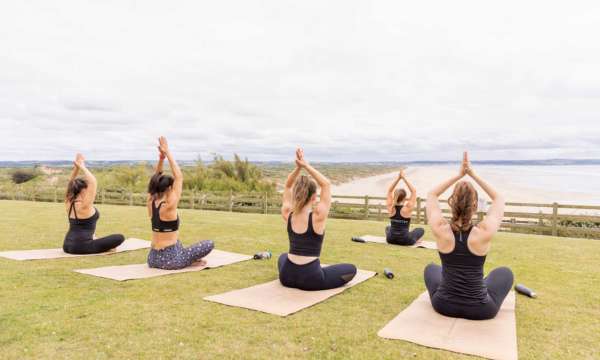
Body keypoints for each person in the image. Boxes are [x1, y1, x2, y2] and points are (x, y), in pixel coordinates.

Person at [424, 152, 513, 320]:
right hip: (481, 310)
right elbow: (499, 198)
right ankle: (478, 285)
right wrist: (472, 174)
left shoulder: (440, 229)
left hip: (443, 305)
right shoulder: (484, 231)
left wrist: (459, 175)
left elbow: (432, 195)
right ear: (474, 205)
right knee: (504, 273)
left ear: (451, 202)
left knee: (431, 268)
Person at [278, 148, 357, 291]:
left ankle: (295, 271)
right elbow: (326, 184)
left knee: (283, 257)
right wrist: (305, 165)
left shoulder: (288, 214)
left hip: (287, 276)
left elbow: (288, 185)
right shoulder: (318, 216)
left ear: (296, 195)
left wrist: (298, 168)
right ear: (314, 197)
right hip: (311, 278)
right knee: (351, 269)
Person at [146, 136, 214, 270]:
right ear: (169, 188)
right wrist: (168, 152)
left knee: (178, 243)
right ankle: (188, 261)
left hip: (152, 259)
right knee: (209, 244)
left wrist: (161, 159)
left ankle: (187, 260)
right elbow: (179, 176)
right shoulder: (170, 204)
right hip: (170, 260)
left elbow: (155, 179)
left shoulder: (150, 201)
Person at [63, 154, 125, 254]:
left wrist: (76, 167)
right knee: (119, 237)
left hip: (67, 245)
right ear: (83, 190)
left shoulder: (69, 202)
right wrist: (82, 166)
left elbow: (70, 183)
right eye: (87, 188)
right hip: (81, 246)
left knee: (102, 240)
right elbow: (93, 181)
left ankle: (98, 244)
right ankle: (103, 247)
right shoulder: (85, 205)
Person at [385, 169, 425, 245]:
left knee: (387, 227)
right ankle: (415, 239)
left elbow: (389, 191)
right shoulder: (408, 208)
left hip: (390, 239)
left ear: (394, 197)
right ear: (405, 198)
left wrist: (398, 178)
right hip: (406, 240)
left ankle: (409, 237)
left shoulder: (390, 207)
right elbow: (413, 191)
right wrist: (403, 178)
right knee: (420, 229)